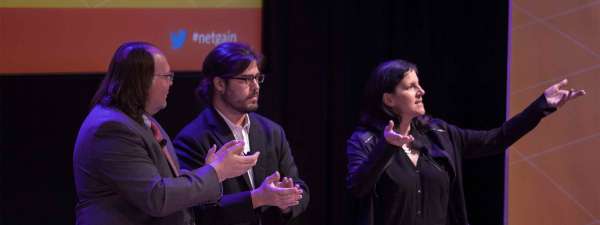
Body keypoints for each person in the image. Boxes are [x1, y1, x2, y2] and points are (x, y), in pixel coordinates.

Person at [346, 59, 585, 225]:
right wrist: (387, 147)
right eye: (411, 87)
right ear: (389, 99)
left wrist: (540, 107)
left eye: (419, 84)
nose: (422, 91)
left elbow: (495, 140)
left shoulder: (438, 133)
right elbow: (358, 187)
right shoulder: (365, 141)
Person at [73, 42, 259, 225]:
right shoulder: (111, 129)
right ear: (143, 80)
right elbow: (157, 197)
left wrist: (209, 170)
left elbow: (166, 180)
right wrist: (216, 172)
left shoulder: (142, 120)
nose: (171, 84)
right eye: (167, 76)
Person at [174, 42, 309, 225]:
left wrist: (286, 199)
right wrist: (257, 198)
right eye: (245, 79)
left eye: (257, 78)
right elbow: (198, 210)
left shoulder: (272, 132)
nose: (256, 87)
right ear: (220, 84)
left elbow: (300, 188)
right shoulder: (192, 139)